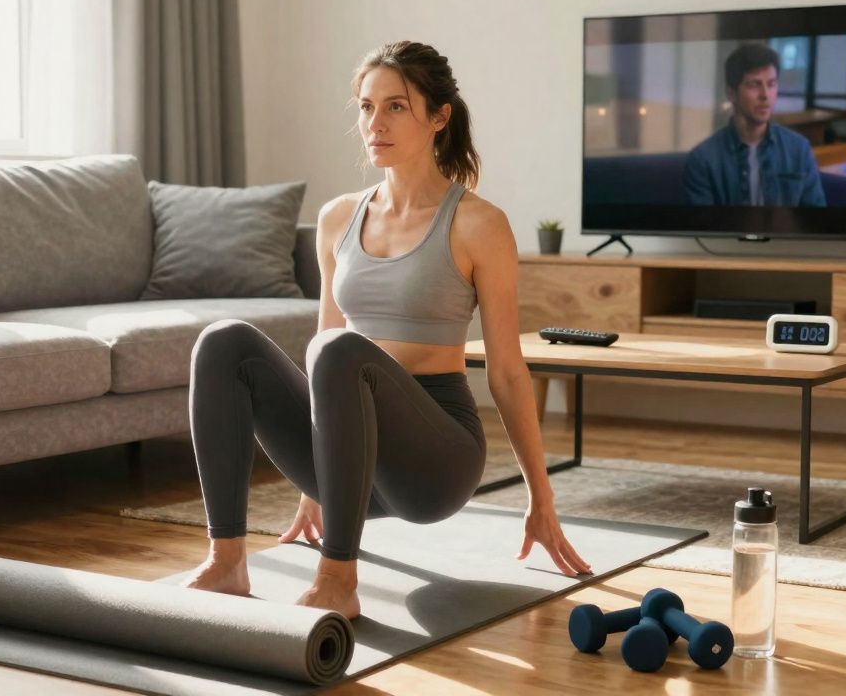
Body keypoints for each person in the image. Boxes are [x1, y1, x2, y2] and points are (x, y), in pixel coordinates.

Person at [180, 41, 591, 620]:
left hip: (434, 460)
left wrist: (541, 500)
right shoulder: (337, 218)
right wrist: (313, 486)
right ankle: (227, 563)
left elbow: (505, 371)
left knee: (344, 351)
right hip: (348, 457)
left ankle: (338, 579)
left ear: (439, 116)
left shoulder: (479, 224)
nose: (376, 123)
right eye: (366, 107)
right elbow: (322, 349)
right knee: (223, 343)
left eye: (396, 106)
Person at [682, 42, 826, 206]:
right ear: (731, 93)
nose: (765, 95)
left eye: (771, 84)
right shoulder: (703, 160)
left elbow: (814, 222)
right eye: (754, 85)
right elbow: (704, 229)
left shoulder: (799, 149)